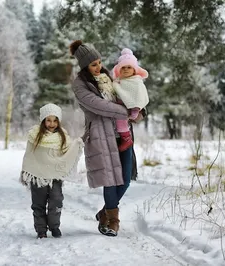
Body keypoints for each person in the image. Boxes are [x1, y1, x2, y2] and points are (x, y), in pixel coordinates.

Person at [69, 40, 140, 237]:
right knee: (111, 179)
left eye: (99, 62)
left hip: (122, 134)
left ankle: (104, 212)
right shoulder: (80, 85)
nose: (98, 67)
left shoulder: (109, 77)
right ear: (84, 66)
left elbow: (126, 95)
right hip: (101, 135)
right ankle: (112, 220)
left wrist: (137, 109)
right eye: (94, 64)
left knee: (124, 180)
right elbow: (99, 105)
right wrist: (126, 112)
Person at [20, 103, 83, 239]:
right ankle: (41, 229)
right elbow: (30, 156)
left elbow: (67, 154)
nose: (52, 124)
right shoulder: (34, 136)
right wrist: (26, 171)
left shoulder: (63, 137)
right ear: (43, 120)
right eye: (48, 120)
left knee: (56, 201)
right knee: (38, 203)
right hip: (38, 175)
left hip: (55, 176)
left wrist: (76, 145)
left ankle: (54, 226)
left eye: (55, 120)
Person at [112, 48, 149, 152]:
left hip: (128, 110)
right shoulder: (117, 81)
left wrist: (135, 110)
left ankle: (126, 138)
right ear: (119, 69)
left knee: (121, 120)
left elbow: (138, 97)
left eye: (129, 67)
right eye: (123, 67)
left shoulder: (136, 81)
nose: (126, 69)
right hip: (118, 106)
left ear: (134, 70)